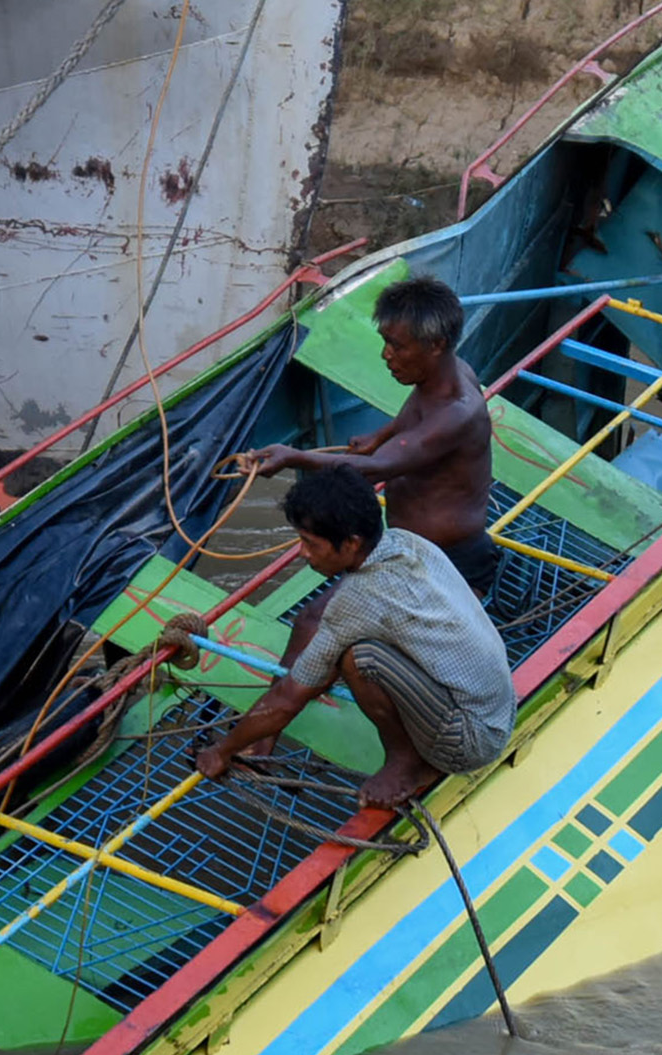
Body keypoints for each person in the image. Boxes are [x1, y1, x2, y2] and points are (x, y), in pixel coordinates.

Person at [166, 466, 514, 812]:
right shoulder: (408, 542)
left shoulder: (356, 601)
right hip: (498, 709)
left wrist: (222, 751)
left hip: (470, 742)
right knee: (352, 650)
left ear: (351, 543)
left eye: (310, 543)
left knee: (356, 658)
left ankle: (404, 763)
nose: (303, 554)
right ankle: (409, 749)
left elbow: (288, 698)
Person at [230, 273, 500, 602]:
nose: (386, 355)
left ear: (436, 345)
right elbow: (415, 413)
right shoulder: (448, 372)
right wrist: (379, 434)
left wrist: (293, 457)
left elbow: (375, 469)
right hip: (407, 546)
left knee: (315, 622)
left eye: (397, 346)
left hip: (448, 561)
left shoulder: (458, 413)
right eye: (386, 341)